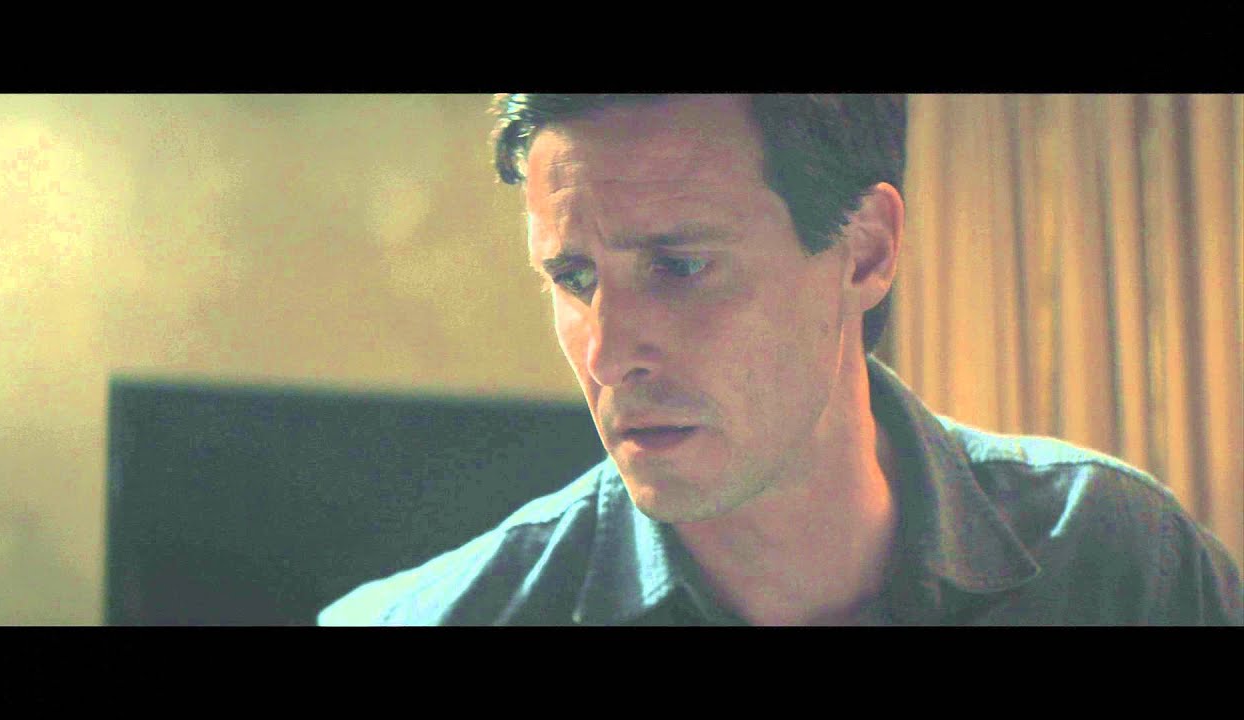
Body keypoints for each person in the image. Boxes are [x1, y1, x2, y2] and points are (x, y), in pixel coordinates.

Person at [319, 94, 1242, 625]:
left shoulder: (1121, 565)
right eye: (574, 277)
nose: (606, 352)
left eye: (679, 266)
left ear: (866, 250)